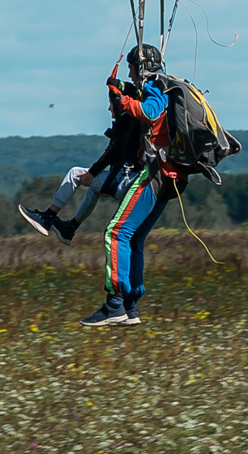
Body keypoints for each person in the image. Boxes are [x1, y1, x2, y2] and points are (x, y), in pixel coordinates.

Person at [85, 43, 182, 329]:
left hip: (154, 172)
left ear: (141, 67)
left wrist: (123, 101)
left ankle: (114, 304)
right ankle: (131, 307)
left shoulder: (154, 85)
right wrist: (122, 87)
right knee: (135, 236)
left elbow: (151, 111)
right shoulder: (163, 84)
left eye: (131, 67)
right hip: (171, 175)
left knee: (116, 232)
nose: (129, 71)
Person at [18, 60, 149, 244]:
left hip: (123, 182)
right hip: (132, 182)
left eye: (110, 103)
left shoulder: (124, 119)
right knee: (93, 190)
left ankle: (47, 218)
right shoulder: (135, 118)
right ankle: (69, 229)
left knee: (74, 174)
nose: (108, 108)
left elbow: (113, 151)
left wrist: (92, 172)